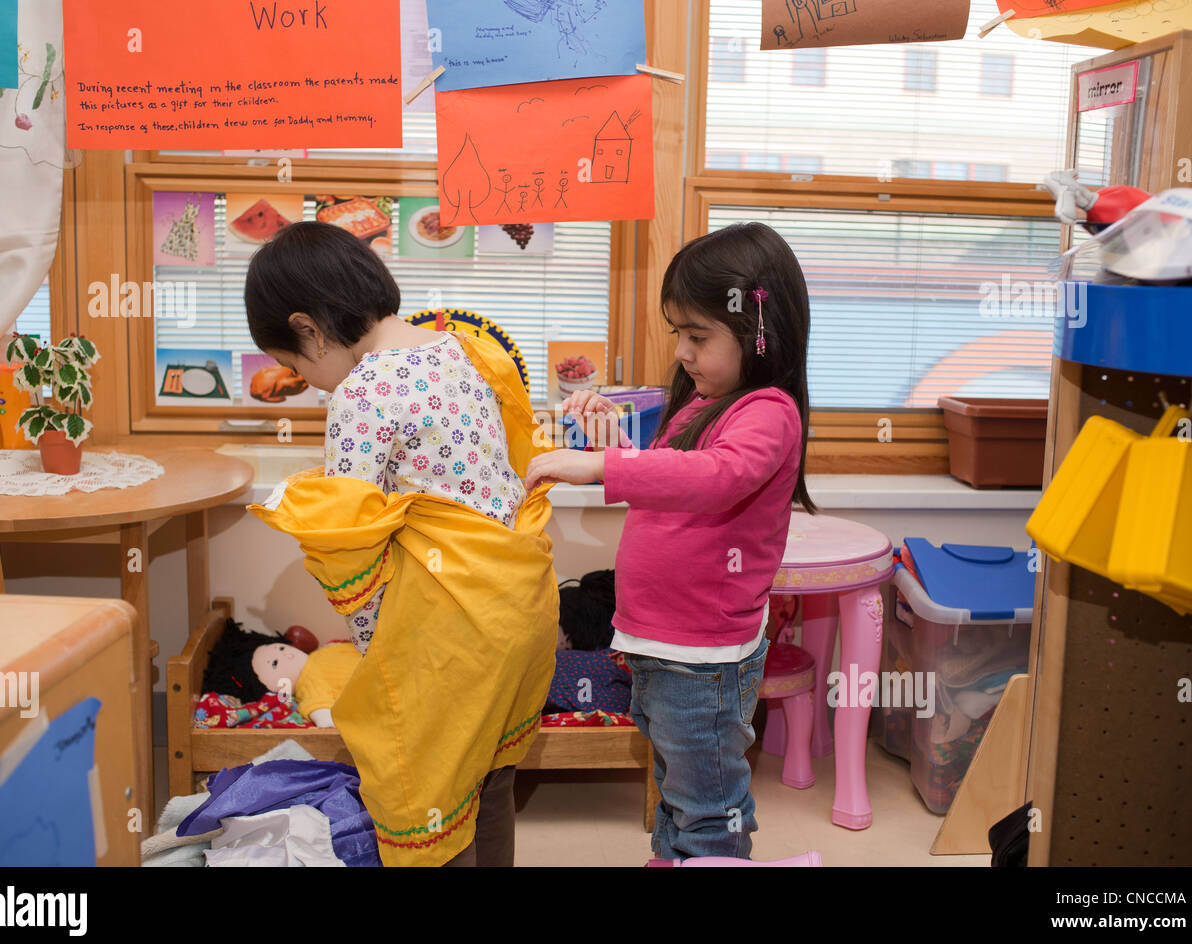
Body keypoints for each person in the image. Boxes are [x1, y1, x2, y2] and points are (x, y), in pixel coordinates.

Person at [244, 221, 557, 866]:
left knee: (427, 798)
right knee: (487, 782)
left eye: (294, 363)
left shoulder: (363, 392)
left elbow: (350, 532)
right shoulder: (458, 350)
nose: (307, 380)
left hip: (446, 630)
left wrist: (374, 649)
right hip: (513, 608)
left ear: (309, 328)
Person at [525, 221, 816, 860]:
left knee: (708, 804)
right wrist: (614, 445)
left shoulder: (768, 411)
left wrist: (604, 467)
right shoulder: (703, 402)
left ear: (758, 334)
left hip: (703, 655)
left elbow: (714, 479)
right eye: (677, 333)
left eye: (698, 336)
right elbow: (669, 481)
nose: (682, 351)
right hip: (658, 640)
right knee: (675, 786)